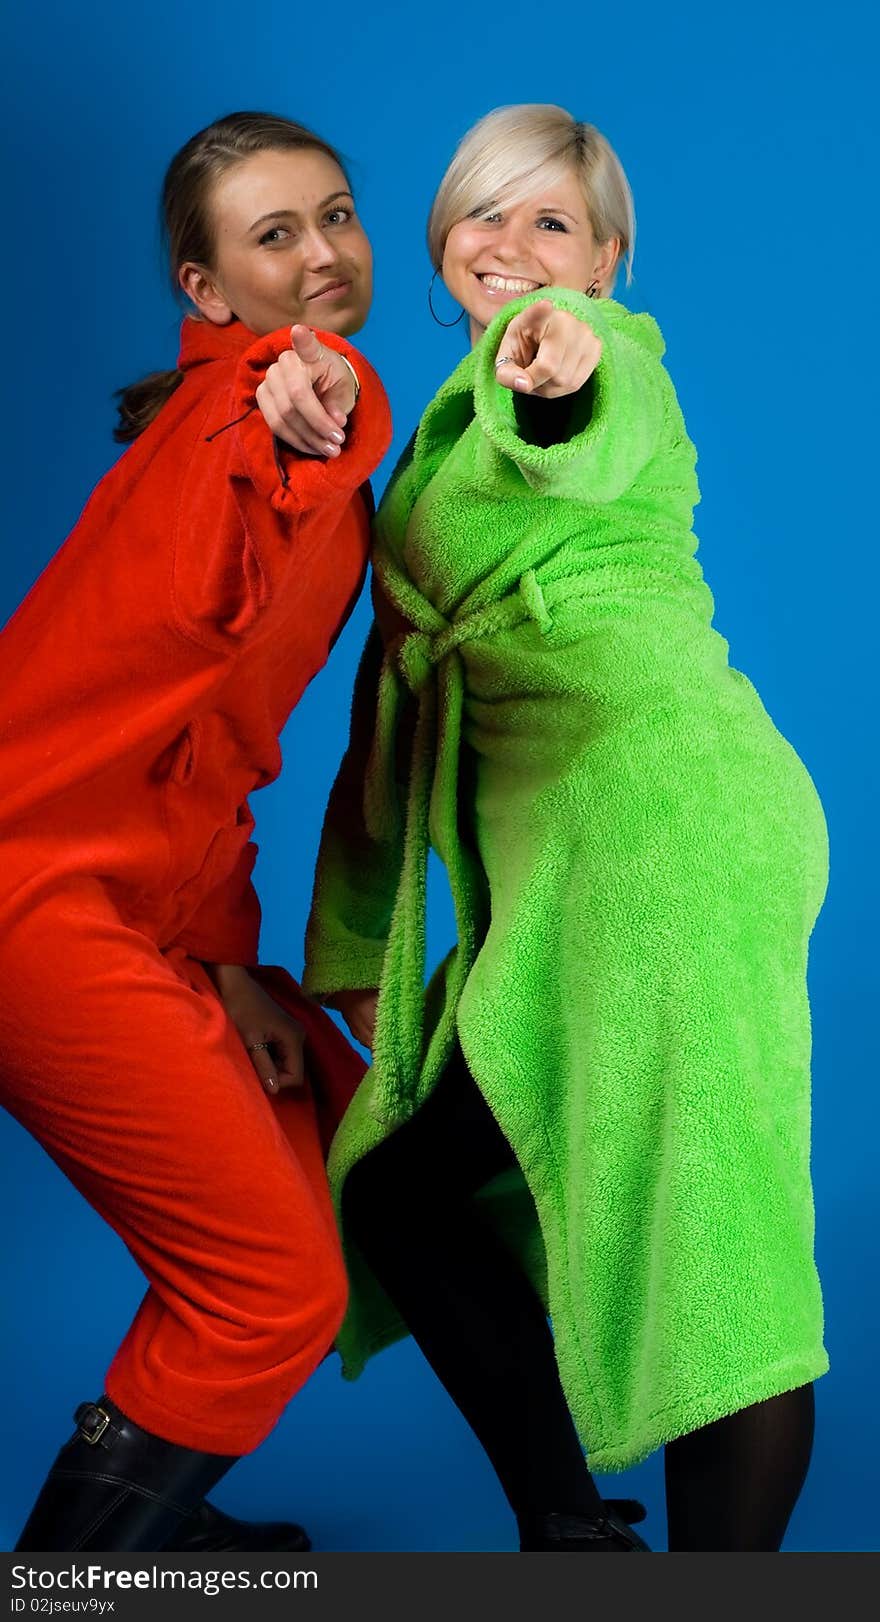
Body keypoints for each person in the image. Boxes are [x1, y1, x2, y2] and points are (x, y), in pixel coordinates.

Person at [302, 104, 829, 1553]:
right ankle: (571, 1531)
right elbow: (384, 719)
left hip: (668, 820)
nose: (516, 249)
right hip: (571, 856)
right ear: (441, 238)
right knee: (406, 1186)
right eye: (489, 214)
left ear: (608, 262)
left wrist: (562, 376)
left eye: (555, 225)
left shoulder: (608, 366)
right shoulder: (428, 445)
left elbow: (586, 426)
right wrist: (351, 937)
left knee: (707, 1231)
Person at [0, 110, 391, 1552]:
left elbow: (209, 753)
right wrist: (306, 412)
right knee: (272, 1280)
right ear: (207, 292)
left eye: (337, 216)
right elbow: (285, 430)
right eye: (274, 236)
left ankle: (148, 1517)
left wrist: (229, 957)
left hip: (133, 899)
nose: (323, 255)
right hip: (30, 902)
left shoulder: (269, 453)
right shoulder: (252, 416)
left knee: (309, 1164)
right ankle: (67, 1580)